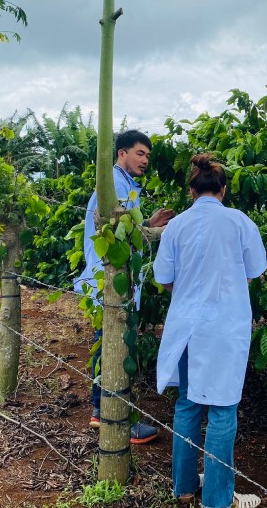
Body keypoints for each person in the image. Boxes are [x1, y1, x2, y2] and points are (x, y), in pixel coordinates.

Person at [154, 154, 266, 508]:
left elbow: (163, 278)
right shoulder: (240, 222)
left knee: (188, 404)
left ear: (191, 191)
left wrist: (189, 293)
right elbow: (254, 271)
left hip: (186, 326)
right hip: (226, 328)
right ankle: (217, 499)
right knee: (223, 409)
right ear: (224, 190)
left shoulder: (176, 226)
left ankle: (184, 488)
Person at [73, 129, 174, 444]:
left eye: (147, 156)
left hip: (109, 279)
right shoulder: (117, 184)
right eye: (139, 153)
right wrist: (164, 233)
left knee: (106, 343)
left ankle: (100, 409)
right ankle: (110, 414)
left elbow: (124, 229)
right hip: (110, 281)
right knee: (112, 345)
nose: (145, 160)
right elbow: (123, 237)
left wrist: (148, 224)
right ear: (121, 153)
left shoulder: (125, 185)